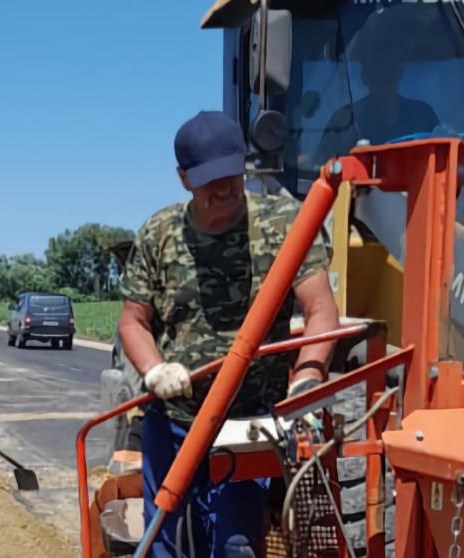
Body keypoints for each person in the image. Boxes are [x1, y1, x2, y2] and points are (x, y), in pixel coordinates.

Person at [118, 111, 340, 557]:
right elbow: (132, 320)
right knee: (164, 538)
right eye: (208, 183)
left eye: (231, 177)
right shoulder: (160, 234)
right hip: (176, 420)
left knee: (237, 545)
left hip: (249, 423)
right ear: (183, 179)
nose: (223, 191)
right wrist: (155, 369)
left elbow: (320, 310)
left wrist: (309, 378)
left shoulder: (282, 224)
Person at [315, 62, 439, 164]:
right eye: (377, 72)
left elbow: (440, 164)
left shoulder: (423, 115)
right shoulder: (344, 119)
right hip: (356, 193)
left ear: (399, 74)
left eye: (389, 71)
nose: (384, 77)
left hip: (417, 192)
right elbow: (322, 169)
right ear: (365, 77)